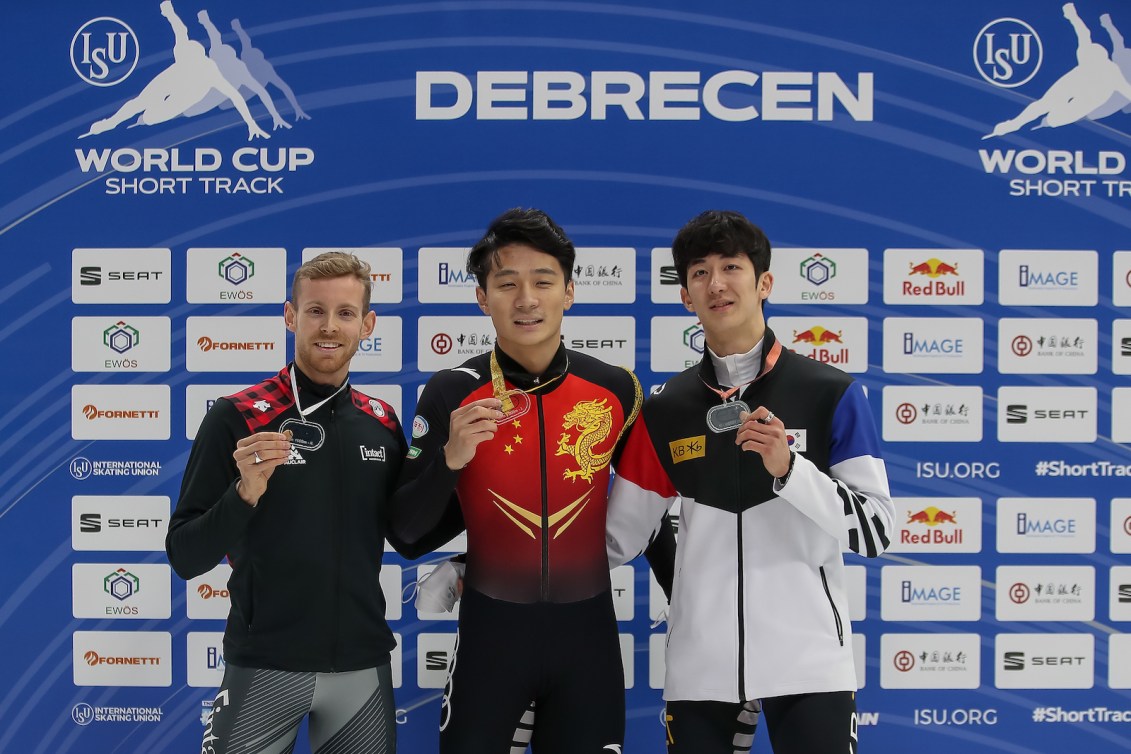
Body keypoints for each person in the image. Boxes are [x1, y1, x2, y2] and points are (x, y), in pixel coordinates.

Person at [605, 210, 895, 754]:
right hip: (701, 667)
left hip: (810, 662)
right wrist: (491, 560)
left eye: (731, 267)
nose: (715, 284)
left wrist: (791, 472)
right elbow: (615, 540)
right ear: (686, 297)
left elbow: (877, 532)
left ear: (763, 283)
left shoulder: (830, 392)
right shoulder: (664, 413)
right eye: (698, 273)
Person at [390, 208, 645, 754]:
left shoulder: (615, 389)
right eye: (507, 284)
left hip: (589, 646)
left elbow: (649, 514)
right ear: (483, 299)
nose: (526, 299)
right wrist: (451, 459)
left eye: (543, 282)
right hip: (492, 643)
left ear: (569, 293)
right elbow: (406, 534)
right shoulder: (450, 392)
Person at [168, 252, 431, 754]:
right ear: (290, 316)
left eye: (346, 313)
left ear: (367, 324)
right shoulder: (236, 417)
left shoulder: (382, 422)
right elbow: (185, 555)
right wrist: (244, 493)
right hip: (264, 665)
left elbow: (410, 532)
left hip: (361, 666)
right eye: (315, 311)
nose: (329, 327)